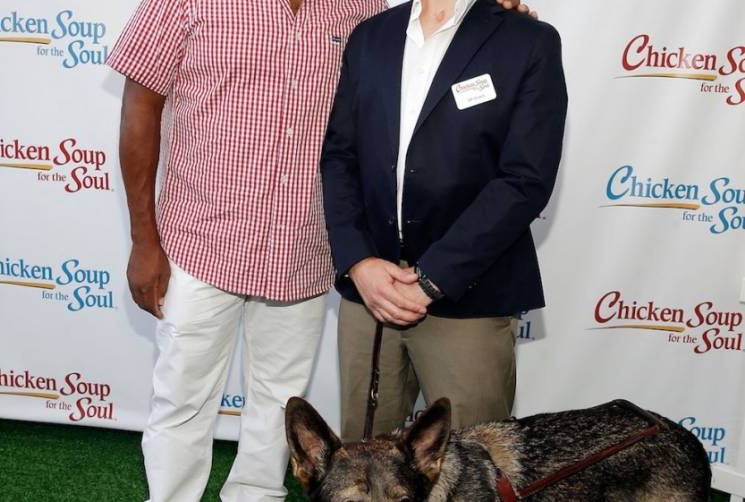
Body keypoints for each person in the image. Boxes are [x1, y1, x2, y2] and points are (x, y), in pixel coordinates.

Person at [107, 0, 534, 500]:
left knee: (280, 403)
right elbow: (140, 106)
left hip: (304, 249)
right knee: (182, 400)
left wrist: (490, 10)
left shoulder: (361, 9)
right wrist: (143, 240)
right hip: (201, 241)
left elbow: (430, 38)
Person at [321, 0, 568, 441]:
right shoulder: (370, 36)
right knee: (363, 468)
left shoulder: (528, 41)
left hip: (469, 299)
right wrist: (358, 262)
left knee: (474, 471)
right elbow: (340, 157)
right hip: (370, 296)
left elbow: (525, 180)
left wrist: (432, 279)